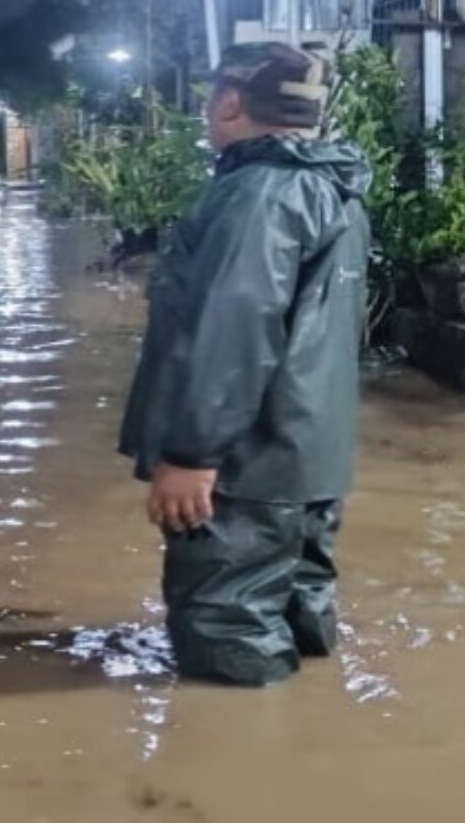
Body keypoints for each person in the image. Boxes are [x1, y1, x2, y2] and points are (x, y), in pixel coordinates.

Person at [119, 42, 371, 687]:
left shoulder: (259, 193)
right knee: (300, 619)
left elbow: (233, 328)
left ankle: (237, 772)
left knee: (226, 645)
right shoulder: (333, 185)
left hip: (244, 469)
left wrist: (193, 452)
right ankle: (311, 753)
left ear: (230, 102)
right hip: (309, 460)